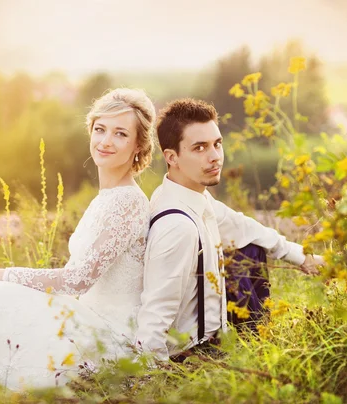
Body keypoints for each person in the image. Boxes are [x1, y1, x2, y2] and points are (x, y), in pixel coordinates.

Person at [0, 88, 156, 390]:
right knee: (3, 300)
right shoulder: (108, 197)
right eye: (100, 129)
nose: (106, 141)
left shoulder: (128, 202)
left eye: (121, 134)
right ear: (91, 131)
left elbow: (79, 279)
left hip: (108, 333)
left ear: (139, 145)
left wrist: (4, 274)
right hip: (85, 315)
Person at [135, 98, 324, 362]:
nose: (215, 156)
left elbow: (241, 224)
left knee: (250, 244)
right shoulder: (177, 226)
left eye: (217, 144)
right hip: (194, 360)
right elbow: (155, 316)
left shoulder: (192, 197)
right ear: (172, 157)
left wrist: (302, 257)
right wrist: (153, 387)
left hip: (218, 344)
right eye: (199, 148)